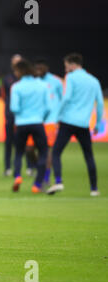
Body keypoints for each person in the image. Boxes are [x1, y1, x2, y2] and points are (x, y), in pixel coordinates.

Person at [47, 53, 104, 196]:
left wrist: (58, 116)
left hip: (67, 121)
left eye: (67, 66)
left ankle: (58, 181)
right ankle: (94, 189)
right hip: (83, 124)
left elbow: (66, 98)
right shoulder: (94, 81)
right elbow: (100, 104)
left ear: (73, 64)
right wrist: (97, 124)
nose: (66, 70)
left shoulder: (71, 78)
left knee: (56, 152)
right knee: (89, 156)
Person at [10, 59, 50, 193]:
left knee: (19, 152)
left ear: (20, 71)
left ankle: (17, 176)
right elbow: (49, 107)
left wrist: (23, 115)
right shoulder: (43, 85)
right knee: (43, 152)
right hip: (38, 123)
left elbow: (14, 107)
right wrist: (40, 117)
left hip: (21, 124)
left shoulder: (16, 86)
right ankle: (37, 184)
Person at [1, 54, 37, 177]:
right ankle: (7, 168)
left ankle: (30, 167)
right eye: (14, 62)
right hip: (11, 117)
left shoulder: (27, 79)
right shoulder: (7, 79)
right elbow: (4, 97)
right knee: (9, 143)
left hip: (24, 118)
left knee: (26, 143)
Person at [34, 58, 64, 187]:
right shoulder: (35, 81)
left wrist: (60, 118)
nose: (39, 70)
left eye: (41, 68)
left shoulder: (56, 82)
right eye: (37, 68)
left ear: (46, 68)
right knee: (30, 149)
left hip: (51, 121)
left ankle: (46, 177)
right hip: (36, 120)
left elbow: (62, 100)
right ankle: (40, 170)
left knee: (48, 150)